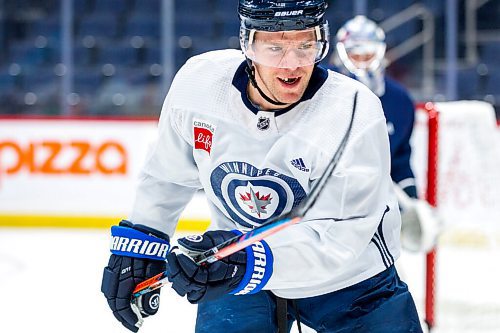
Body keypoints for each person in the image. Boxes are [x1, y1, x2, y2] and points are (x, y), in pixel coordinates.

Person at [101, 1, 423, 332]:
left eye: (305, 45)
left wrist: (246, 261)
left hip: (352, 282)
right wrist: (141, 244)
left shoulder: (354, 111)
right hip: (237, 270)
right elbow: (167, 175)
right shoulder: (199, 85)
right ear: (247, 44)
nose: (293, 64)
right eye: (274, 47)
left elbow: (340, 235)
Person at [332, 15, 439, 253]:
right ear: (341, 53)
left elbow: (399, 157)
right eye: (354, 54)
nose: (361, 61)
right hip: (326, 208)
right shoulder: (319, 91)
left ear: (380, 53)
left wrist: (411, 203)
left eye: (367, 54)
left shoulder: (399, 101)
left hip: (374, 209)